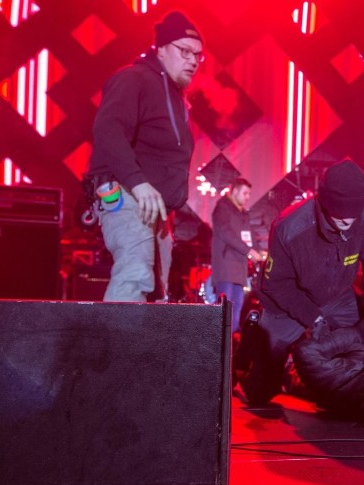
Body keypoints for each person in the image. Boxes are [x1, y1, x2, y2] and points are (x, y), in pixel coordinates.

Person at [237, 159, 364, 404]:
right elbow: (276, 285)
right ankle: (251, 344)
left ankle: (309, 374)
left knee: (356, 350)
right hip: (287, 303)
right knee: (261, 392)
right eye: (339, 215)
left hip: (337, 297)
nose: (347, 221)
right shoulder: (290, 227)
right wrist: (313, 318)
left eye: (353, 214)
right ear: (325, 201)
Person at [86, 12, 204, 302]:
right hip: (125, 194)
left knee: (156, 291)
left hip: (155, 208)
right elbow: (107, 129)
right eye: (185, 51)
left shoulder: (175, 96)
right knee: (135, 274)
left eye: (198, 56)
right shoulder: (134, 78)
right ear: (161, 48)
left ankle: (141, 347)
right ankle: (115, 348)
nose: (192, 61)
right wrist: (138, 182)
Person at [211, 178, 264, 333]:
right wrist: (248, 250)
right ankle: (220, 347)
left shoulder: (243, 214)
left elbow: (249, 236)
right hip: (226, 267)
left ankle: (231, 348)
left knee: (236, 310)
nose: (248, 197)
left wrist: (258, 250)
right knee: (224, 310)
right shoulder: (222, 208)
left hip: (239, 269)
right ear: (234, 191)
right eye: (245, 193)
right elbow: (225, 232)